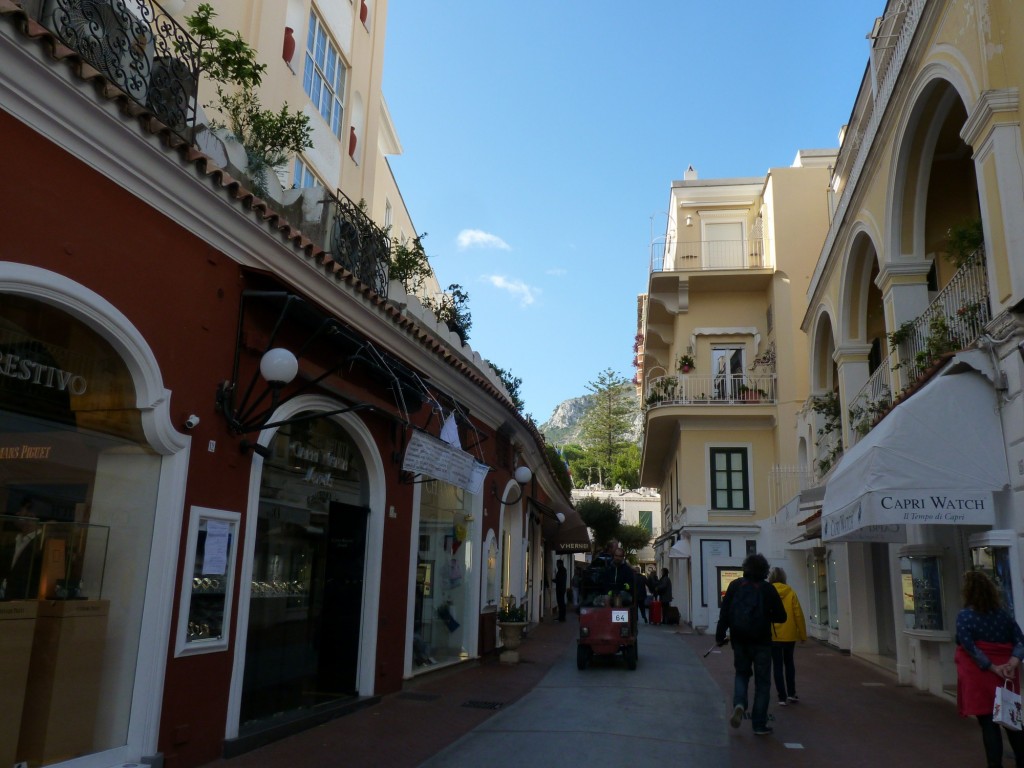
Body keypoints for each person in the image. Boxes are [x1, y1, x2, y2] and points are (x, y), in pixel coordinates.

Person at [955, 570, 1024, 768]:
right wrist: (1012, 662)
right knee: (1012, 720)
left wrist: (992, 667)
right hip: (1007, 673)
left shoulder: (965, 616)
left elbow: (968, 645)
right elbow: (1020, 640)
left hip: (981, 674)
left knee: (988, 721)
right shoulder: (1003, 615)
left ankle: (994, 764)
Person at [716, 553, 787, 736]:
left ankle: (739, 703)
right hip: (762, 641)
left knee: (742, 674)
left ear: (745, 568)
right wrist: (765, 615)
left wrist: (720, 634)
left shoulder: (735, 586)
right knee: (762, 683)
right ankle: (759, 724)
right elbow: (782, 616)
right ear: (764, 570)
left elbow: (725, 612)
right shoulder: (768, 589)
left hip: (739, 640)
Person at [768, 566, 806, 706]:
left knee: (777, 665)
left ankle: (781, 697)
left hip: (773, 635)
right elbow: (798, 614)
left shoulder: (768, 592)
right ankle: (791, 693)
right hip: (789, 634)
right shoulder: (791, 592)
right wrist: (802, 634)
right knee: (789, 663)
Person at [0, 496, 42, 601]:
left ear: (31, 515)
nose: (16, 515)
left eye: (20, 511)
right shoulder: (12, 543)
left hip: (26, 604)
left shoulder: (42, 545)